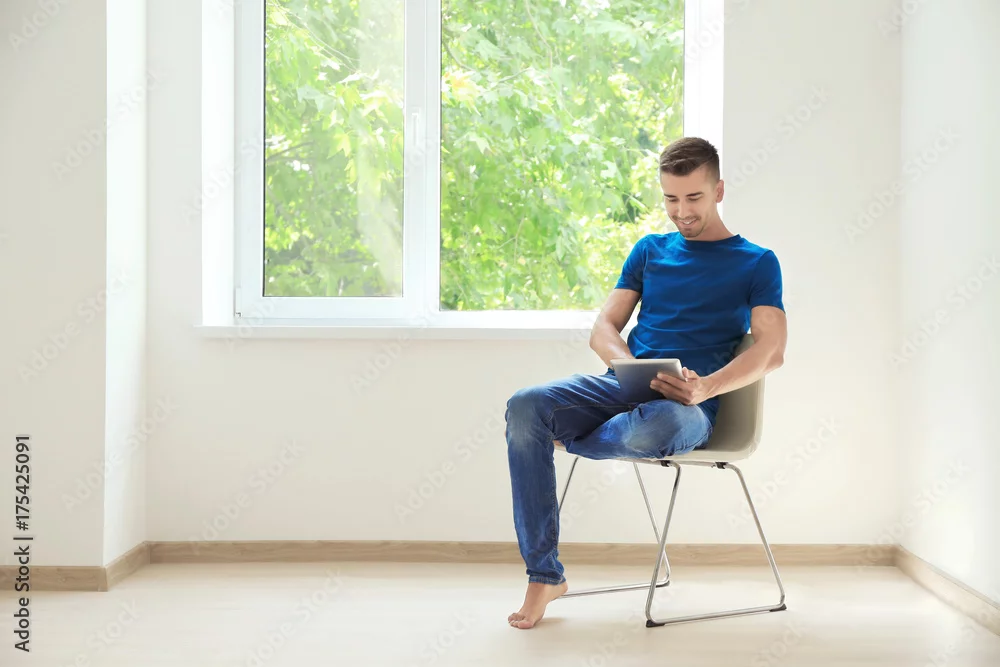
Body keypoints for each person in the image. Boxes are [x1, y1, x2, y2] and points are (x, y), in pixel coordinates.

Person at [504, 136, 788, 629]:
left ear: (719, 190)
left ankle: (575, 439)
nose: (681, 212)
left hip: (688, 408)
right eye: (670, 199)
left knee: (654, 427)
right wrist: (629, 367)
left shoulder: (757, 261)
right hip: (623, 388)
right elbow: (603, 328)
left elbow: (772, 349)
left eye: (694, 197)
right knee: (525, 405)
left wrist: (705, 388)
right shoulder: (650, 250)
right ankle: (544, 575)